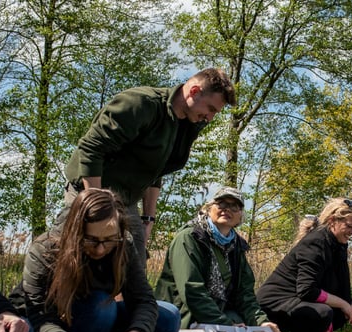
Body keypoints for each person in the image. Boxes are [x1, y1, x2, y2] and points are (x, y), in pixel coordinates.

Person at [11, 189, 181, 332]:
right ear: (76, 231)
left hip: (97, 320)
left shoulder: (124, 245)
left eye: (109, 240)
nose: (100, 249)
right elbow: (39, 316)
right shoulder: (44, 250)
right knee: (102, 307)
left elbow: (143, 299)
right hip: (49, 327)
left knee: (169, 316)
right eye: (91, 239)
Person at [61, 68, 237, 256]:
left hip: (125, 202)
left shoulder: (188, 125)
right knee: (69, 259)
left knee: (135, 262)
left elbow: (156, 170)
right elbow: (91, 149)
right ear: (194, 92)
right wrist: (97, 210)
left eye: (215, 114)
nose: (210, 118)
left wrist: (147, 219)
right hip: (87, 192)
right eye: (210, 109)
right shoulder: (141, 104)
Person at [154, 187, 281, 332]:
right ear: (209, 209)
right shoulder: (189, 238)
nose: (227, 209)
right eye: (221, 204)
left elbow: (244, 294)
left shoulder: (237, 246)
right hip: (181, 315)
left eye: (234, 206)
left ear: (240, 217)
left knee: (247, 331)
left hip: (217, 315)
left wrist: (261, 322)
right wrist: (226, 325)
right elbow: (192, 291)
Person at [256, 198, 352, 332]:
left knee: (343, 311)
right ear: (333, 221)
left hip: (297, 300)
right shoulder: (316, 242)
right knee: (324, 312)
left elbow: (342, 280)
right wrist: (341, 303)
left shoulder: (337, 244)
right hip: (275, 303)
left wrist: (347, 304)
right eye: (349, 226)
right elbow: (306, 290)